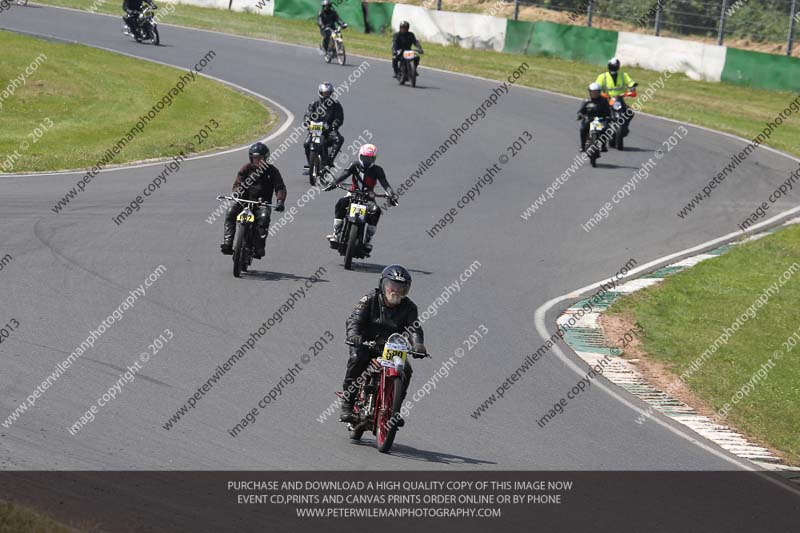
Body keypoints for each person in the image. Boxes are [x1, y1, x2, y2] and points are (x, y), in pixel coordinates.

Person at [339, 264, 427, 424]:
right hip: (366, 343)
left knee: (406, 369)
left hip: (391, 348)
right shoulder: (369, 299)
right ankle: (347, 403)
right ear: (383, 285)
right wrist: (354, 335)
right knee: (357, 359)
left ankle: (395, 410)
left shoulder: (410, 307)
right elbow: (354, 319)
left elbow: (415, 328)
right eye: (392, 286)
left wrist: (418, 344)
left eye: (401, 287)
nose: (396, 290)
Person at [323, 144, 398, 254]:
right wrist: (334, 183)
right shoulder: (354, 165)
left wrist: (391, 194)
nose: (367, 161)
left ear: (374, 158)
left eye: (370, 158)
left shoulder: (378, 170)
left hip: (368, 197)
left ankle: (367, 240)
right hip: (353, 193)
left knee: (376, 211)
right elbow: (344, 174)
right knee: (341, 203)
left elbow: (385, 184)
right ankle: (336, 233)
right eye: (364, 157)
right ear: (360, 156)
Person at [221, 143, 286, 258]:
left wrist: (280, 201)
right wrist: (237, 191)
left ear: (266, 158)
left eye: (260, 158)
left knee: (264, 217)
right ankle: (228, 242)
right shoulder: (246, 168)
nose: (258, 161)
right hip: (243, 201)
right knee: (231, 211)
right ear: (251, 158)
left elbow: (280, 187)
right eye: (255, 158)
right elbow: (237, 183)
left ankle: (259, 247)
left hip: (262, 204)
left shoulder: (272, 171)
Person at [303, 82, 344, 173]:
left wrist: (334, 125)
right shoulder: (314, 103)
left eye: (327, 93)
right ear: (320, 93)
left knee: (339, 139)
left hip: (328, 130)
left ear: (331, 93)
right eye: (323, 93)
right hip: (315, 129)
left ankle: (329, 161)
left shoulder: (336, 104)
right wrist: (307, 121)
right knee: (306, 144)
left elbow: (339, 118)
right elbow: (308, 114)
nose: (325, 95)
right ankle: (310, 164)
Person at [595, 58, 637, 132]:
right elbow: (597, 86)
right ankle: (596, 129)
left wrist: (632, 87)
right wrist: (601, 94)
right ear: (609, 67)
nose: (613, 68)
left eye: (615, 67)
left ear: (618, 67)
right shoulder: (602, 76)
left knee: (630, 112)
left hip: (619, 100)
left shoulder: (624, 75)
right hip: (606, 99)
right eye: (612, 66)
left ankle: (625, 126)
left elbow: (631, 82)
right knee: (599, 112)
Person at [577, 82, 612, 152]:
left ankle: (603, 145)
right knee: (582, 129)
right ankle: (582, 146)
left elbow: (608, 111)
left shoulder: (603, 101)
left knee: (605, 130)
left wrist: (608, 117)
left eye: (596, 92)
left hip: (599, 120)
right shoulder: (586, 101)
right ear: (589, 92)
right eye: (593, 92)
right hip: (588, 119)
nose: (594, 94)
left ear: (599, 92)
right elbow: (581, 111)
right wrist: (580, 115)